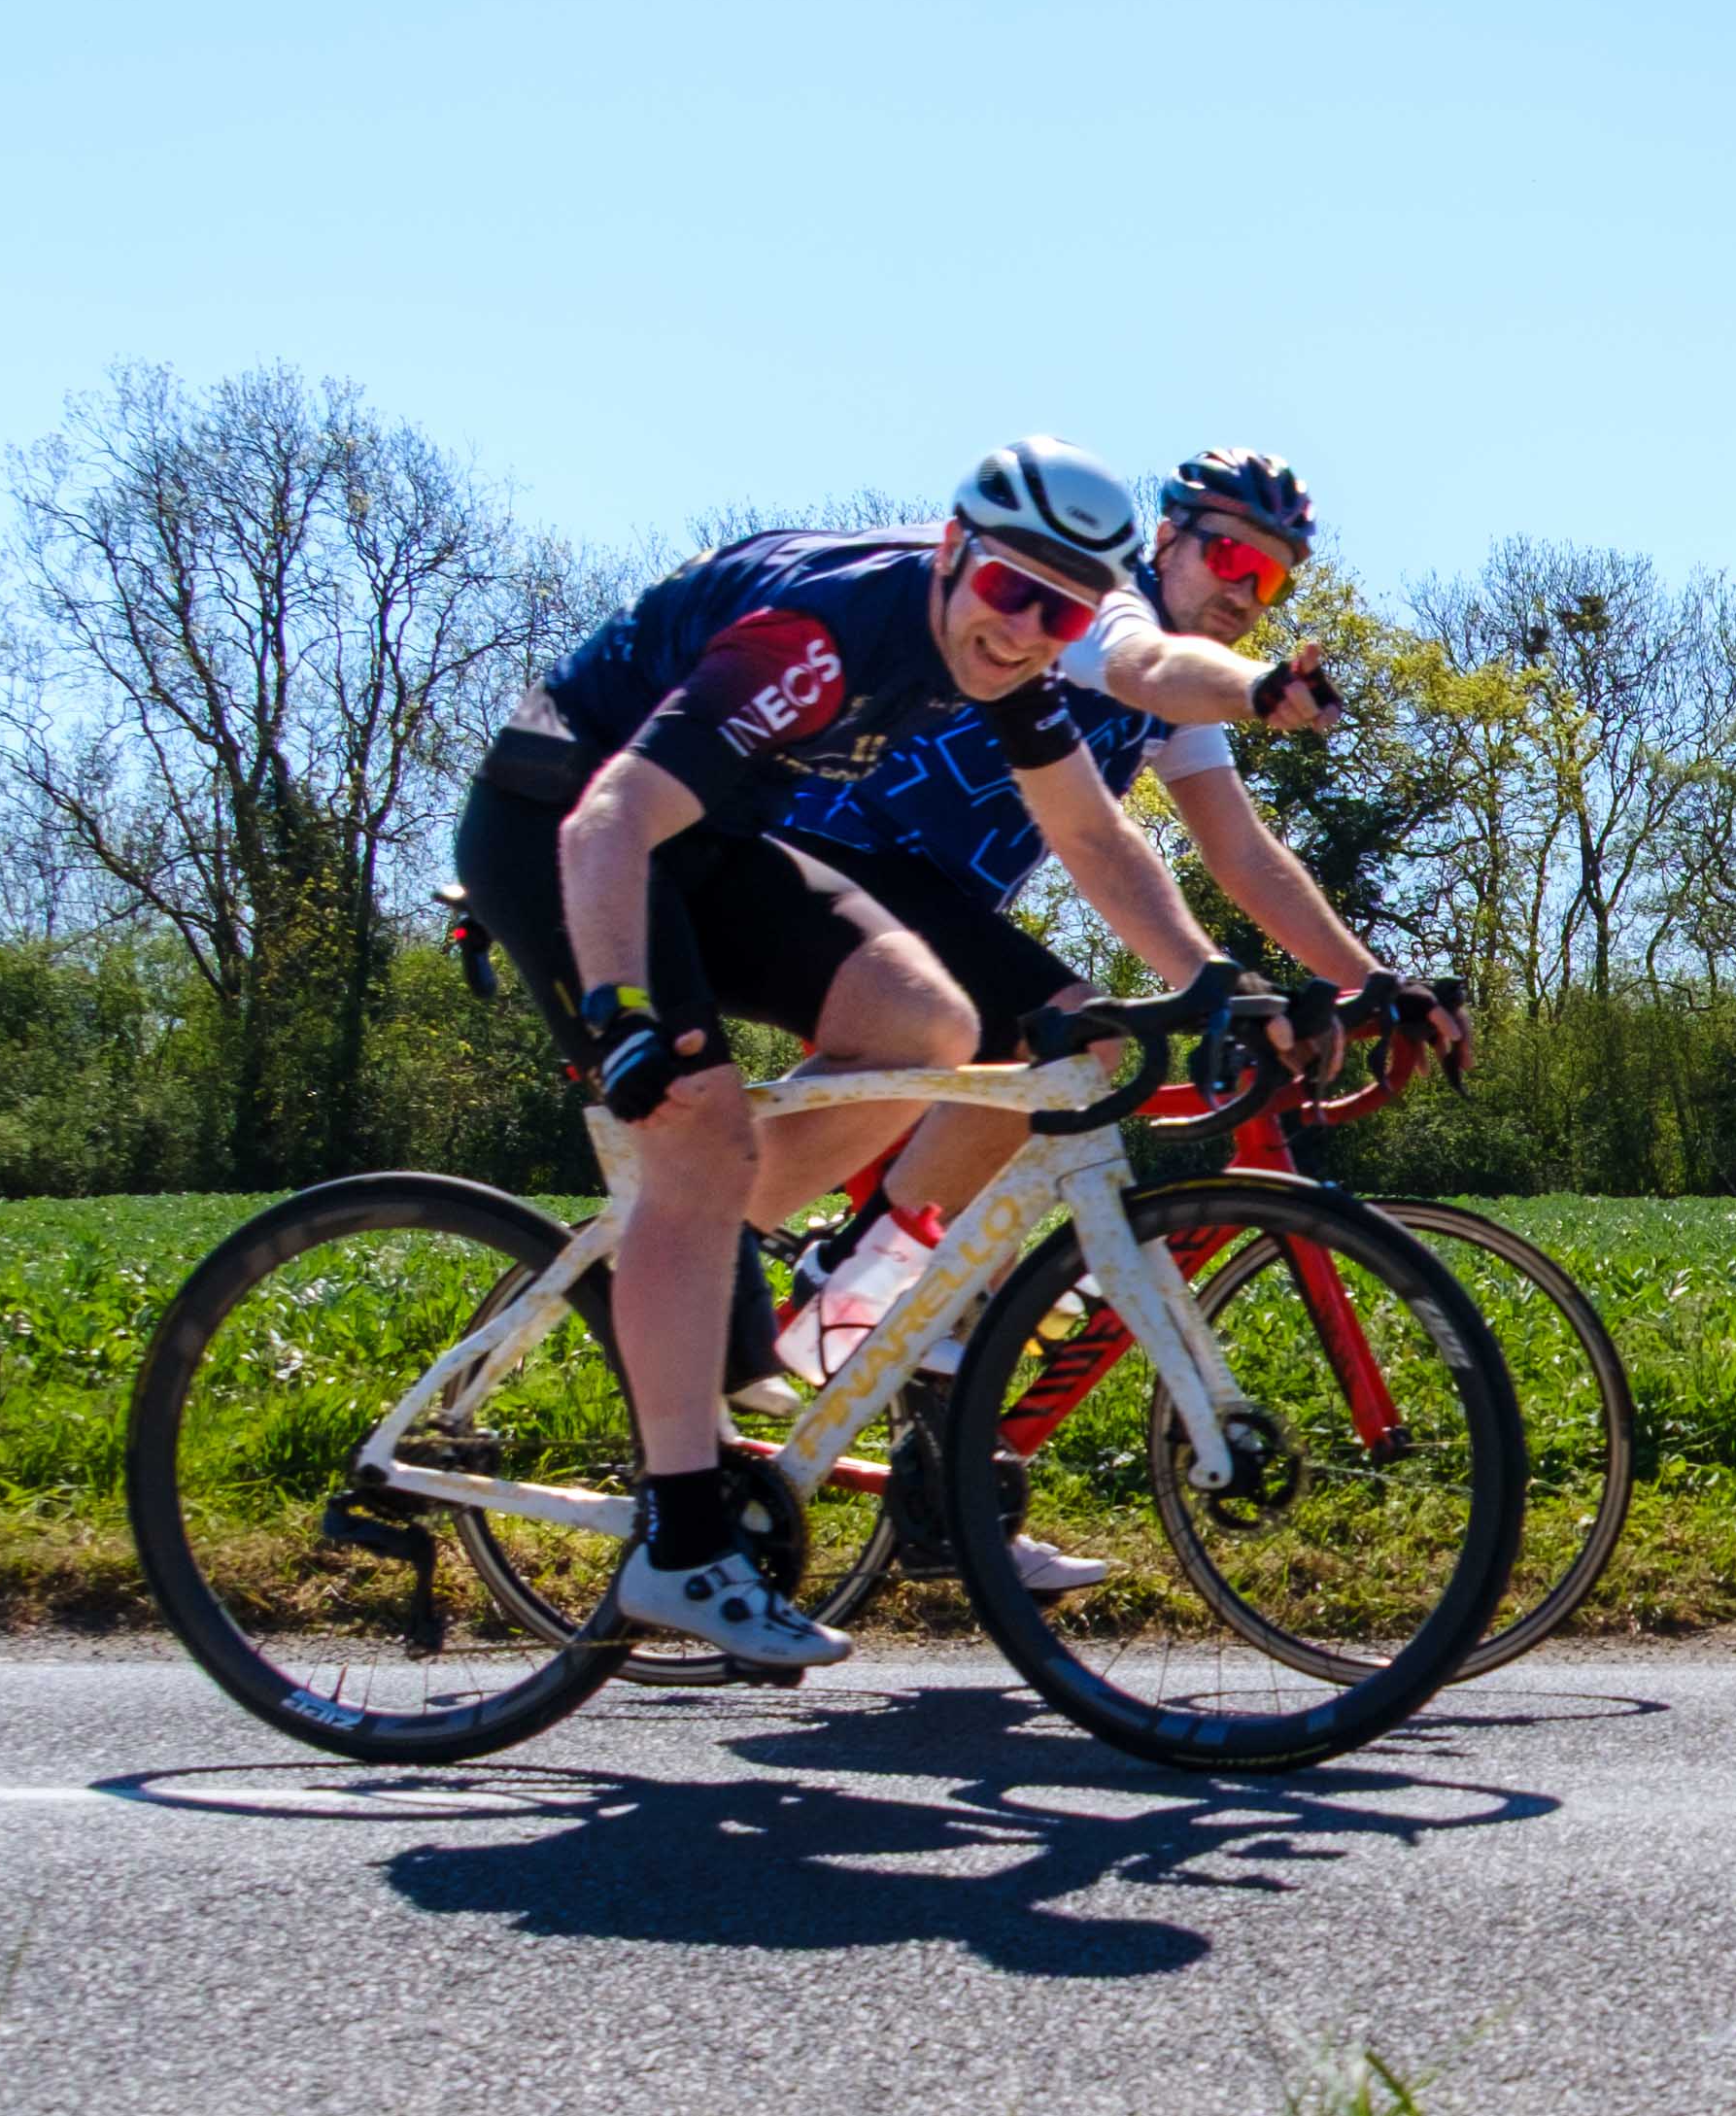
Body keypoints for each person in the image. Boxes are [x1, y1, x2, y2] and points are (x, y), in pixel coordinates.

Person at [450, 439, 1240, 1674]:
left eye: (1064, 609)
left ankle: (706, 1254)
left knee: (932, 1026)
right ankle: (684, 1540)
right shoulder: (816, 638)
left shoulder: (1007, 660)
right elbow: (609, 819)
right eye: (1009, 590)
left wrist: (1203, 980)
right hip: (566, 827)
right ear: (950, 552)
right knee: (696, 1132)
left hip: (704, 838)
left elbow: (1087, 830)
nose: (1029, 629)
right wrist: (620, 1015)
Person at [762, 444, 1467, 1423]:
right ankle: (841, 1293)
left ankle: (952, 1508)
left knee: (976, 1261)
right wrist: (1256, 684)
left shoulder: (1175, 703)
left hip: (938, 916)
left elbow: (1243, 854)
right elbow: (1148, 665)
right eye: (1230, 560)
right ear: (1167, 538)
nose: (1247, 592)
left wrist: (1376, 980)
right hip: (836, 863)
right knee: (1069, 1031)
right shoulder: (1089, 608)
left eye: (1271, 579)